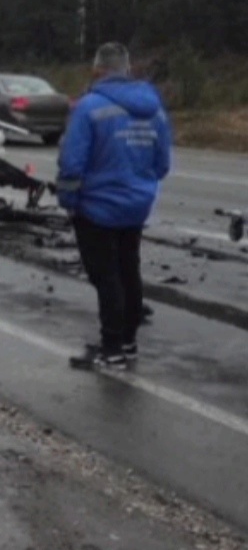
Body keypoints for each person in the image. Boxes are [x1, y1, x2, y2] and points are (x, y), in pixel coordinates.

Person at [57, 42, 172, 370]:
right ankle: (127, 343)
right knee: (128, 272)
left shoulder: (89, 107)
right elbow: (162, 163)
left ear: (98, 70)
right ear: (127, 69)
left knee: (105, 277)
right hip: (136, 206)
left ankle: (112, 350)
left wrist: (68, 201)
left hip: (96, 207)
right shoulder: (154, 108)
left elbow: (72, 162)